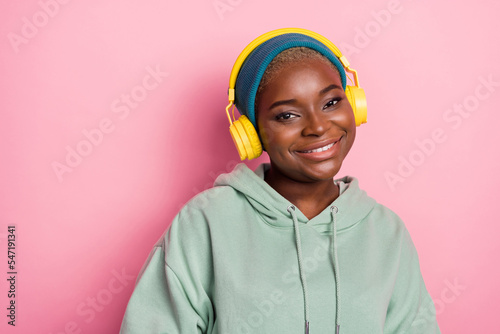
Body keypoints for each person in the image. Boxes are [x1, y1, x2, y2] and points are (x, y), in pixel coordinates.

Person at [119, 28, 441, 334]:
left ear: (354, 105)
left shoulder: (387, 232)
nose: (317, 127)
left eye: (331, 103)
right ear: (252, 133)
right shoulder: (205, 223)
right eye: (287, 115)